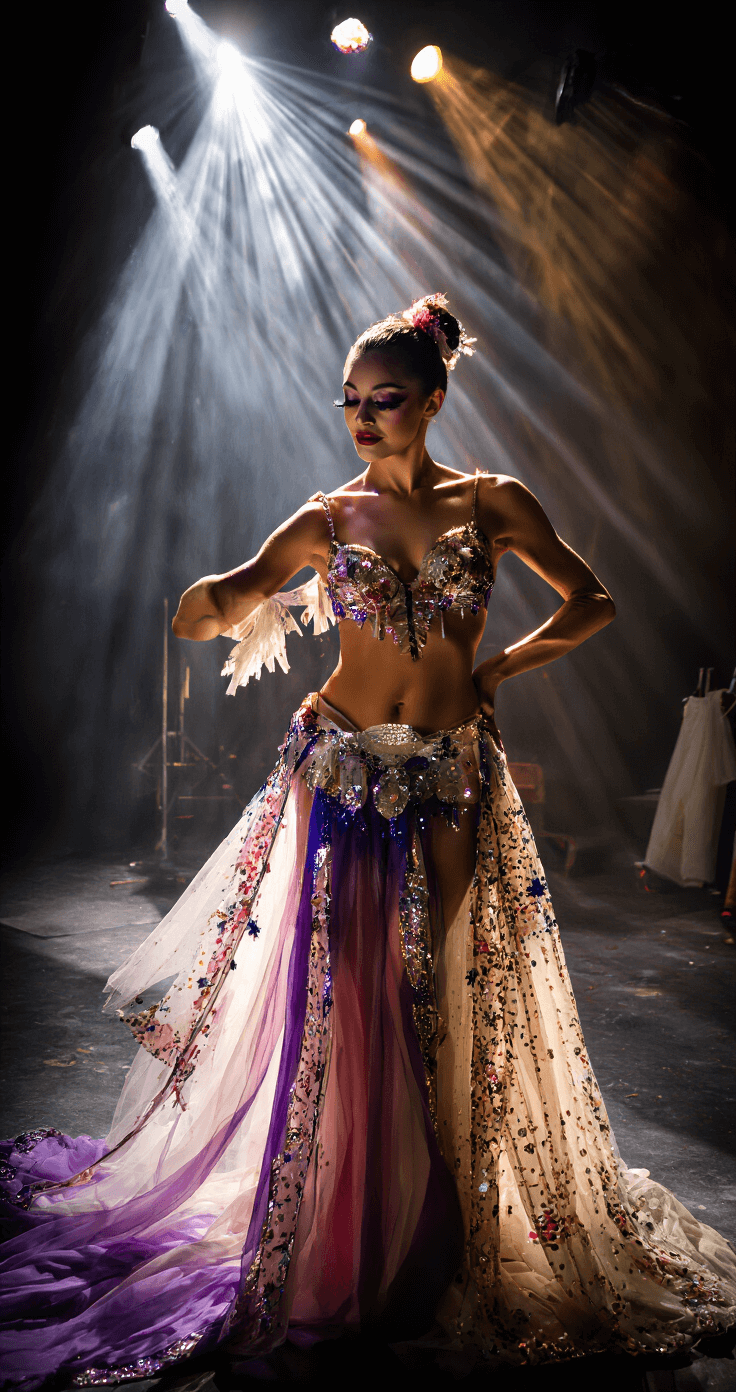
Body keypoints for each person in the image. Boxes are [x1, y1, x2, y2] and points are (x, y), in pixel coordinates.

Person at [1, 295, 734, 1387]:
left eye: (383, 399)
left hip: (447, 774)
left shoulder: (492, 503)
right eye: (349, 400)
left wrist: (496, 671)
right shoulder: (324, 518)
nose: (361, 416)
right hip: (340, 765)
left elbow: (593, 601)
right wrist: (213, 601)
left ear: (432, 401)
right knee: (339, 991)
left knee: (425, 996)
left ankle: (421, 1232)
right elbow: (227, 600)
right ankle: (341, 1238)